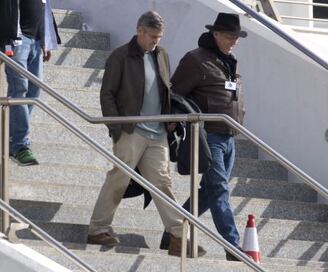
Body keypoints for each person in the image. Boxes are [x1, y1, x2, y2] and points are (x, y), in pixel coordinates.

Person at [87, 11, 205, 257]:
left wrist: (169, 118)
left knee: (163, 182)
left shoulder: (161, 54)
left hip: (157, 130)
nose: (156, 41)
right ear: (139, 30)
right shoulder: (120, 56)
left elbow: (165, 89)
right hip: (130, 130)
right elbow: (106, 94)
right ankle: (98, 228)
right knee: (119, 177)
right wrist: (116, 127)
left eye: (159, 37)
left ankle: (178, 236)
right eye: (152, 36)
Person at [164, 12, 247, 261]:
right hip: (209, 135)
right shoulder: (196, 59)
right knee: (219, 190)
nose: (234, 40)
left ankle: (173, 231)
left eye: (237, 36)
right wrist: (175, 123)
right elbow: (174, 93)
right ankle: (232, 247)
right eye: (230, 36)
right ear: (216, 34)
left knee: (209, 192)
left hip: (229, 135)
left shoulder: (229, 60)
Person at [5, 0, 60, 166]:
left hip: (35, 41)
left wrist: (46, 40)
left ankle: (12, 138)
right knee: (19, 90)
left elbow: (43, 8)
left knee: (34, 92)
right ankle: (20, 145)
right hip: (17, 41)